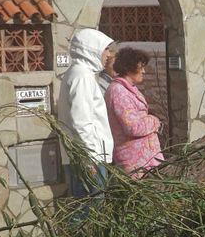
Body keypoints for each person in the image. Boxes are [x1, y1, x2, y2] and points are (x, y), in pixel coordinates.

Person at [57, 27, 114, 198]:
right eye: (105, 49)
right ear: (91, 49)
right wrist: (90, 159)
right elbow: (81, 122)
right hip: (88, 160)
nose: (109, 54)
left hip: (88, 157)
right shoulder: (81, 76)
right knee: (88, 212)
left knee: (90, 211)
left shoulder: (81, 74)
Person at [106, 47, 165, 176]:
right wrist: (154, 121)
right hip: (135, 162)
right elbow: (133, 127)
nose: (144, 71)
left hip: (146, 159)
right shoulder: (118, 91)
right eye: (141, 67)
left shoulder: (129, 88)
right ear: (128, 68)